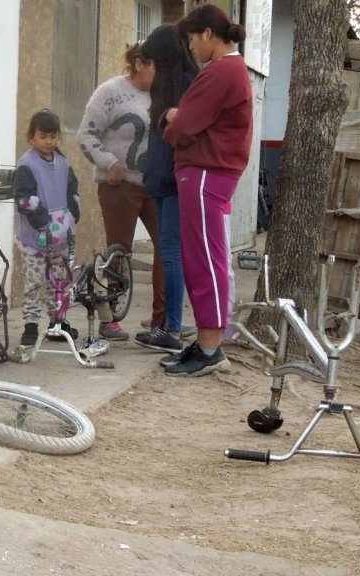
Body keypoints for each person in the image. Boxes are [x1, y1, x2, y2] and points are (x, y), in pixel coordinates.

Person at [161, 4, 252, 376]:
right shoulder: (232, 69)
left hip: (204, 172)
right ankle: (205, 343)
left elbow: (184, 127)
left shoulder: (221, 71)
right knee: (204, 258)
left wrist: (171, 121)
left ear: (208, 35)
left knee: (204, 261)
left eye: (193, 39)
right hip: (209, 172)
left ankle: (211, 348)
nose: (192, 48)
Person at [77, 43, 163, 341]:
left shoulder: (161, 95)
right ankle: (109, 317)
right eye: (155, 66)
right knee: (119, 251)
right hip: (119, 186)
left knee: (166, 246)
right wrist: (108, 162)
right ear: (139, 64)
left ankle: (160, 319)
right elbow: (85, 134)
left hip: (154, 186)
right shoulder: (110, 92)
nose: (160, 73)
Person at [135, 25, 200, 355]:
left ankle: (171, 328)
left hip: (175, 180)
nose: (152, 66)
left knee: (171, 253)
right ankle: (169, 323)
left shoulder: (187, 85)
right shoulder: (170, 85)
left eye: (154, 60)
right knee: (168, 252)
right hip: (162, 178)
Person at [13, 109, 81, 346]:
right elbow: (24, 198)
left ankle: (57, 322)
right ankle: (31, 325)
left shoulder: (63, 164)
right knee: (33, 282)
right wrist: (42, 222)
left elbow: (73, 192)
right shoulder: (27, 165)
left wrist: (72, 215)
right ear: (32, 136)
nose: (49, 141)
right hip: (35, 237)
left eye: (53, 137)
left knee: (59, 281)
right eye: (43, 136)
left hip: (61, 237)